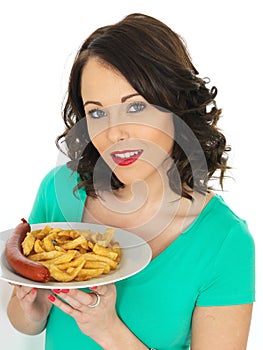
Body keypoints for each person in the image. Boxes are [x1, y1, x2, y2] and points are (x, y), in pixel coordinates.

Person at [7, 13, 255, 350]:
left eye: (135, 106)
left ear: (176, 106)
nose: (114, 132)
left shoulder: (224, 241)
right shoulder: (58, 189)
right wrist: (32, 308)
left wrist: (108, 330)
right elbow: (23, 322)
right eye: (96, 112)